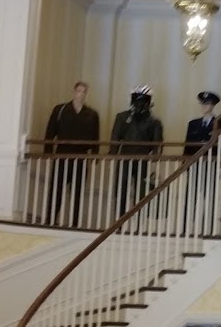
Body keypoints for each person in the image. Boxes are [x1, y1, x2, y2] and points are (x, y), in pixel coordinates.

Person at [41, 81, 100, 227]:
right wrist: (48, 152)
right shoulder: (60, 110)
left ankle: (75, 223)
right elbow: (50, 131)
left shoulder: (92, 114)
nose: (81, 94)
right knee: (57, 189)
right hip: (62, 154)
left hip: (81, 157)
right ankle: (50, 219)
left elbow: (95, 137)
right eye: (79, 91)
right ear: (74, 92)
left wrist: (95, 155)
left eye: (84, 92)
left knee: (77, 191)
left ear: (86, 94)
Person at [109, 85, 164, 216]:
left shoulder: (154, 122)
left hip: (142, 160)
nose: (140, 102)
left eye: (143, 99)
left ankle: (139, 221)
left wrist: (155, 156)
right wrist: (112, 153)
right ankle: (119, 219)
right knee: (121, 190)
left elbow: (157, 143)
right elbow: (115, 137)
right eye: (137, 99)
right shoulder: (122, 117)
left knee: (141, 192)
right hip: (124, 158)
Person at [183, 91, 221, 233]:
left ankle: (208, 227)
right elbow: (187, 145)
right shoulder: (193, 124)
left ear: (213, 105)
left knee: (209, 196)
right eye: (202, 104)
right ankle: (186, 226)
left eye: (207, 104)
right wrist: (185, 164)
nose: (204, 106)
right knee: (190, 196)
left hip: (211, 164)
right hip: (195, 164)